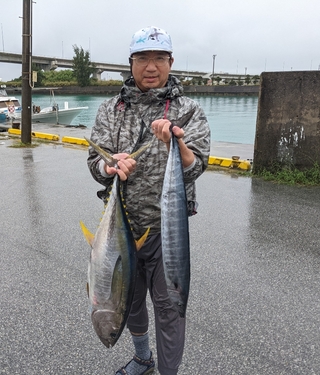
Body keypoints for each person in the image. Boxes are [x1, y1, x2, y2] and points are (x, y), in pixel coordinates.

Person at [87, 26, 210, 375]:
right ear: (131, 63)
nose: (151, 66)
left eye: (159, 58)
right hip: (121, 231)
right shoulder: (111, 109)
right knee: (129, 302)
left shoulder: (188, 110)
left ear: (171, 62)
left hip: (167, 232)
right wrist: (109, 164)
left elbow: (197, 165)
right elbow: (94, 166)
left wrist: (177, 143)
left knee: (171, 306)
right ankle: (143, 357)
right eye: (143, 58)